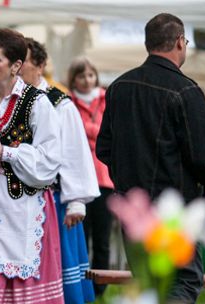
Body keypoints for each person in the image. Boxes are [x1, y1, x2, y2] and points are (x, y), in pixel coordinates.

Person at [97, 13, 205, 303]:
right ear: (178, 43)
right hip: (173, 210)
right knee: (181, 283)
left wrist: (126, 180)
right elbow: (203, 158)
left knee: (150, 283)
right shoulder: (186, 90)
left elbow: (104, 149)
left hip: (133, 208)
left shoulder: (119, 87)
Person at [0, 28, 63, 304]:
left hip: (21, 209)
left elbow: (49, 160)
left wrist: (7, 152)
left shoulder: (38, 103)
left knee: (19, 279)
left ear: (16, 65)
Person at [21, 37, 98, 303]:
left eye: (23, 62)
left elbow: (74, 151)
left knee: (59, 274)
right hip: (16, 201)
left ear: (40, 65)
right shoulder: (9, 101)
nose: (16, 68)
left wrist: (77, 201)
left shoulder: (58, 103)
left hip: (53, 202)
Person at [67, 56, 114, 296]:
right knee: (82, 238)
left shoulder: (108, 98)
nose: (87, 80)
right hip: (80, 181)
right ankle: (84, 287)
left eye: (90, 74)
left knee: (103, 238)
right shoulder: (68, 103)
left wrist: (85, 130)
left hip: (105, 179)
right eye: (81, 76)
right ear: (73, 79)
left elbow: (111, 131)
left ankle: (101, 288)